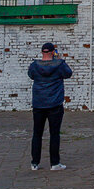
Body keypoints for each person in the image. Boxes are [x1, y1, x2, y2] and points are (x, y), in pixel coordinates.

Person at [27, 41, 72, 171]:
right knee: (54, 134)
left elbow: (31, 75)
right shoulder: (59, 65)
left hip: (39, 103)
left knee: (37, 133)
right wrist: (58, 59)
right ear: (53, 52)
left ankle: (35, 162)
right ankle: (55, 163)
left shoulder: (35, 65)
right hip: (54, 103)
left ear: (42, 52)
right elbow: (68, 74)